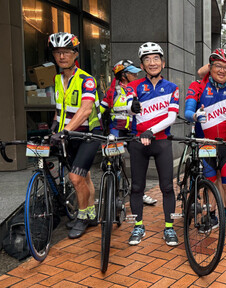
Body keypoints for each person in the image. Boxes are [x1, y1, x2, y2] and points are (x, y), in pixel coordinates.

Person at [185, 48, 226, 243]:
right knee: (209, 185)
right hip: (205, 145)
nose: (222, 70)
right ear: (209, 67)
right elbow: (187, 110)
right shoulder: (197, 86)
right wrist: (194, 115)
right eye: (218, 66)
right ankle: (211, 216)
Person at [48, 32, 103, 239]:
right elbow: (61, 108)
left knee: (75, 177)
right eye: (57, 52)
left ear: (75, 54)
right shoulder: (57, 79)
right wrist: (55, 124)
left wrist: (65, 130)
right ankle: (90, 214)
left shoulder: (86, 80)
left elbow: (86, 110)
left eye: (66, 52)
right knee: (84, 177)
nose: (62, 56)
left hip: (89, 134)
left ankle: (81, 217)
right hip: (68, 135)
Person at [125, 42, 179, 246]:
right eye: (147, 59)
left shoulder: (172, 88)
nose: (152, 62)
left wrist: (151, 131)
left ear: (163, 63)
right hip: (139, 142)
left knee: (167, 187)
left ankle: (169, 227)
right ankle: (138, 225)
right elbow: (130, 108)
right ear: (142, 65)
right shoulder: (133, 86)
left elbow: (171, 117)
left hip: (161, 142)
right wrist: (132, 107)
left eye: (156, 58)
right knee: (137, 187)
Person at [101, 60, 157, 206]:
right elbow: (101, 108)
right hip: (116, 130)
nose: (135, 74)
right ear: (123, 75)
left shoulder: (138, 88)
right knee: (112, 161)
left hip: (133, 130)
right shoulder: (112, 91)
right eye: (132, 73)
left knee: (139, 163)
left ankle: (141, 193)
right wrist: (95, 124)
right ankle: (114, 191)